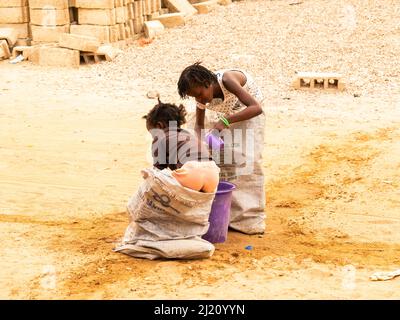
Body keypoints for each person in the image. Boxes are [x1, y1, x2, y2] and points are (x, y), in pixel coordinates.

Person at [177, 62, 266, 234]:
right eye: (195, 97)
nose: (200, 100)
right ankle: (229, 215)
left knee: (247, 163)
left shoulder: (228, 80)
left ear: (206, 83)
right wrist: (199, 145)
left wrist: (224, 122)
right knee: (225, 164)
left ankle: (249, 220)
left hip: (250, 114)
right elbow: (199, 125)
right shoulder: (201, 95)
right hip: (227, 116)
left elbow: (256, 108)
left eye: (200, 94)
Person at [143, 99, 219, 193]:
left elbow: (158, 171)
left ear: (159, 126)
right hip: (213, 173)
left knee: (160, 185)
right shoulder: (188, 135)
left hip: (192, 172)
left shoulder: (160, 138)